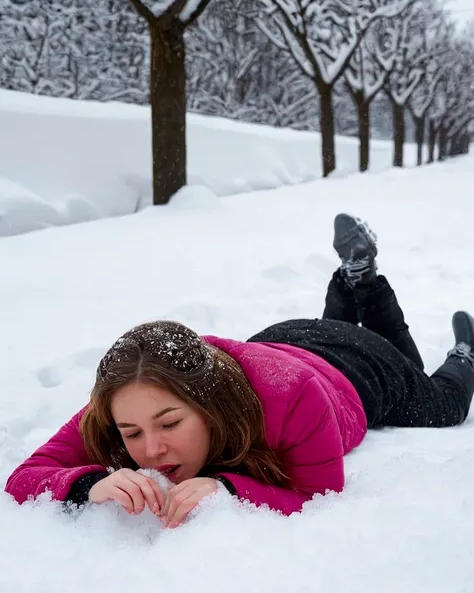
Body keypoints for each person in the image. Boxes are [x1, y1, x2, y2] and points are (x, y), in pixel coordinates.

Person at [5, 214, 474, 527]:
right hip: (286, 337)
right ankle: (357, 279)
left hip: (356, 370)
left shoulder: (294, 399)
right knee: (345, 335)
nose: (149, 449)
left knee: (437, 400)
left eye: (170, 424)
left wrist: (227, 488)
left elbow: (319, 494)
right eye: (131, 432)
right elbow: (23, 477)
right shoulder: (135, 393)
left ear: (208, 398)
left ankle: (463, 353)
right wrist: (88, 484)